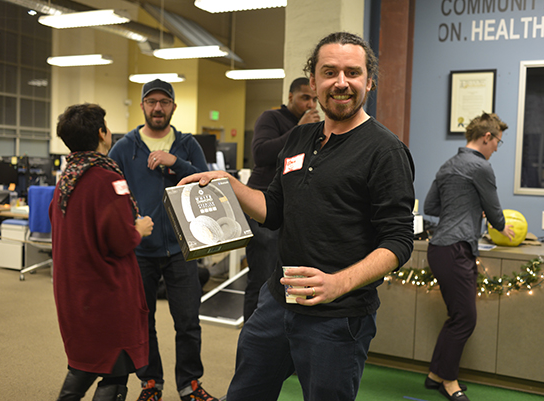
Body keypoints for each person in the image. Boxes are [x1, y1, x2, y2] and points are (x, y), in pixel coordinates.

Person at [178, 31, 415, 401]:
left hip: (337, 316)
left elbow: (399, 241)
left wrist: (337, 283)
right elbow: (274, 209)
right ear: (314, 81)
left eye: (352, 73)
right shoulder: (298, 139)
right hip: (277, 301)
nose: (341, 82)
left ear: (369, 82)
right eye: (329, 72)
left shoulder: (385, 151)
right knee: (244, 394)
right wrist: (230, 185)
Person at [108, 79, 217, 401]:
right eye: (152, 102)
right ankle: (150, 383)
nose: (158, 108)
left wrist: (175, 163)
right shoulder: (124, 147)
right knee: (143, 322)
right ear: (142, 105)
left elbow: (207, 183)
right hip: (140, 250)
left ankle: (190, 385)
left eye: (164, 102)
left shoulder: (187, 144)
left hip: (182, 249)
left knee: (188, 322)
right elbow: (111, 194)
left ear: (173, 106)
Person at [50, 103, 154, 401]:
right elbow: (120, 240)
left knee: (85, 364)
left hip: (74, 291)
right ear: (101, 133)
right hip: (107, 292)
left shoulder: (66, 179)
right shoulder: (108, 178)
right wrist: (139, 229)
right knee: (114, 368)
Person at [423, 112, 515, 401]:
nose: (497, 148)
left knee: (457, 317)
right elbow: (496, 213)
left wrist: (464, 208)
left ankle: (435, 375)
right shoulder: (480, 167)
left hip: (439, 249)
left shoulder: (448, 165)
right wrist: (501, 225)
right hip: (457, 248)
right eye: (498, 141)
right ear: (487, 137)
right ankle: (449, 381)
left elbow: (430, 206)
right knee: (465, 319)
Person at [243, 76, 320, 321]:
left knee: (288, 281)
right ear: (290, 97)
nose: (311, 104)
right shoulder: (272, 117)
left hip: (294, 212)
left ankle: (281, 333)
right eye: (305, 98)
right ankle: (253, 333)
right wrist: (299, 129)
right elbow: (261, 153)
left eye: (314, 99)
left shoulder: (316, 128)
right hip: (264, 206)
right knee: (262, 278)